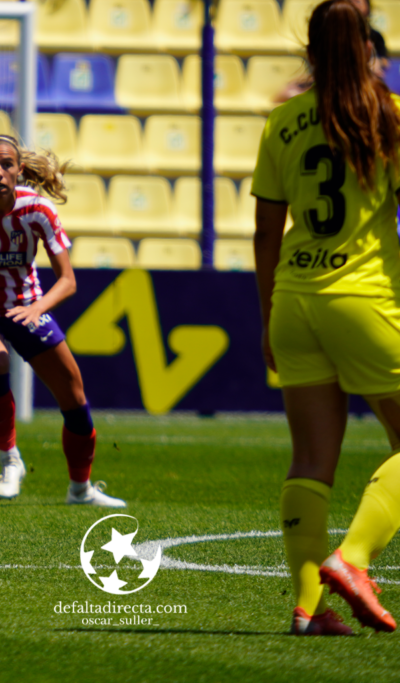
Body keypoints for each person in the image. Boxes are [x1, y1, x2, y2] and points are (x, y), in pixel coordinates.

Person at [253, 0, 400, 636]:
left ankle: (308, 611)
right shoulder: (387, 115)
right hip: (363, 299)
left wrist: (267, 317)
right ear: (367, 49)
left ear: (309, 51)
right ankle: (354, 557)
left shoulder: (282, 122)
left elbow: (264, 233)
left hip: (294, 299)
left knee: (311, 459)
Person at [0, 134, 125, 507]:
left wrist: (38, 308)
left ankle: (80, 489)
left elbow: (68, 280)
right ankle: (9, 459)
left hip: (25, 306)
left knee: (74, 395)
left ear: (18, 169)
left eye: (6, 165)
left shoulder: (38, 210)